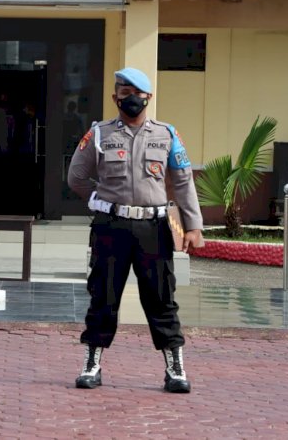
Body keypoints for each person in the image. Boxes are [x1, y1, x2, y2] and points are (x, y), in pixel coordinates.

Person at [67, 67, 204, 393]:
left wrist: (193, 225)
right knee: (103, 295)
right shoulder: (99, 134)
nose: (130, 98)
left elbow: (183, 182)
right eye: (123, 93)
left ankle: (175, 368)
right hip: (111, 227)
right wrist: (99, 200)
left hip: (153, 229)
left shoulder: (167, 134)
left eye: (136, 93)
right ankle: (92, 363)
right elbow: (76, 177)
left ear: (148, 97)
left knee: (161, 298)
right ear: (115, 97)